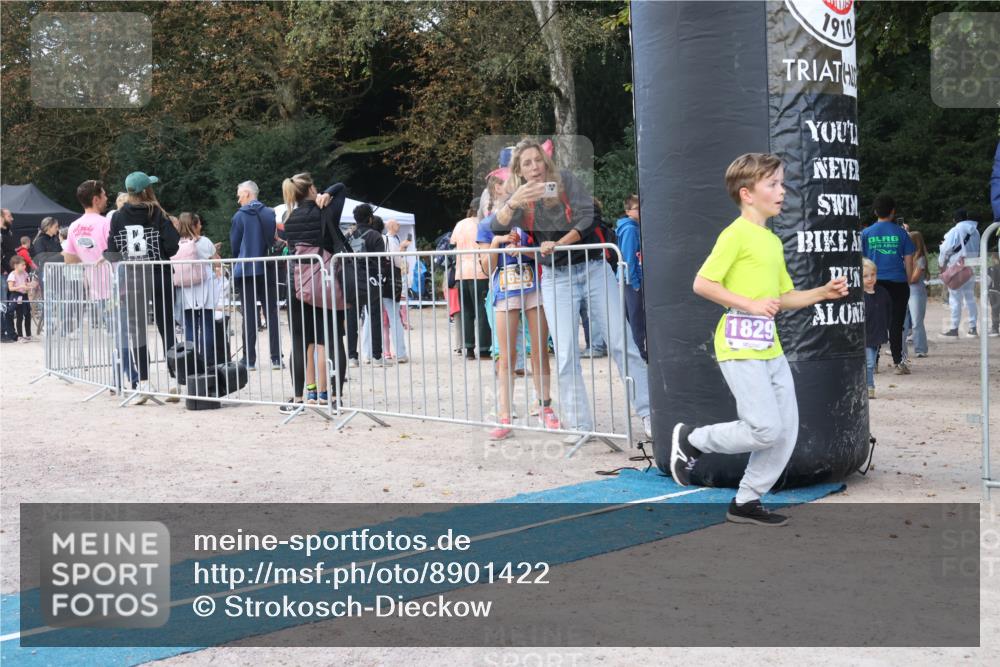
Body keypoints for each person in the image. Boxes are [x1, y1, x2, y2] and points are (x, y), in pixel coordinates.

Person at [669, 153, 849, 526]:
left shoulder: (770, 240)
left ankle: (746, 502)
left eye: (782, 183)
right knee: (764, 428)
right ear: (748, 194)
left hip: (769, 346)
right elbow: (702, 283)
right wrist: (748, 303)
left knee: (784, 432)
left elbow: (781, 298)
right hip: (737, 346)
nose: (782, 191)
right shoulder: (735, 235)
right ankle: (692, 440)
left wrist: (821, 293)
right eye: (774, 184)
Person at [491, 138, 653, 440]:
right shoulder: (521, 197)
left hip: (592, 268)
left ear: (545, 160)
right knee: (565, 352)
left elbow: (589, 217)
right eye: (527, 163)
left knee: (621, 342)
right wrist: (513, 201)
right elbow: (493, 228)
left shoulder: (564, 181)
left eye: (537, 159)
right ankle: (580, 426)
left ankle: (647, 413)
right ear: (519, 171)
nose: (535, 167)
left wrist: (558, 244)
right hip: (556, 278)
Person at [477, 217, 559, 439]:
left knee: (540, 350)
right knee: (507, 356)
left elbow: (544, 255)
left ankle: (544, 406)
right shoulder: (487, 224)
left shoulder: (530, 217)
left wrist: (524, 249)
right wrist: (497, 243)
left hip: (534, 288)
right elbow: (486, 267)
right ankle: (505, 416)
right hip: (504, 290)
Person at [107, 171, 181, 401]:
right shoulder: (156, 213)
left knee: (137, 330)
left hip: (133, 277)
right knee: (167, 327)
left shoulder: (118, 217)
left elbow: (112, 249)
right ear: (146, 190)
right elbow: (172, 246)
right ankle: (174, 381)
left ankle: (144, 384)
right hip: (158, 274)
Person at [279, 173, 350, 410]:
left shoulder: (288, 218)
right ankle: (331, 395)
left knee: (301, 342)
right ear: (311, 190)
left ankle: (301, 396)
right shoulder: (326, 211)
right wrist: (328, 193)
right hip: (325, 284)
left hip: (298, 285)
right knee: (331, 340)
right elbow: (341, 187)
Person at [231, 180, 282, 370]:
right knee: (271, 312)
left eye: (239, 195)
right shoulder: (270, 213)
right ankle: (276, 357)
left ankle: (249, 359)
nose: (238, 200)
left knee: (250, 314)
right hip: (268, 266)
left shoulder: (239, 216)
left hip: (246, 269)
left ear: (246, 194)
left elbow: (235, 246)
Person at [861, 195, 914, 373]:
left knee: (874, 322)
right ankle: (898, 362)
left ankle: (873, 362)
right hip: (898, 282)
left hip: (873, 282)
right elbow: (908, 260)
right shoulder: (901, 233)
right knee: (896, 323)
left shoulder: (866, 233)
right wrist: (907, 279)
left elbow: (861, 260)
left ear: (875, 211)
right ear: (893, 212)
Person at [345, 203, 389, 366]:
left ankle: (352, 357)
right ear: (370, 218)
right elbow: (382, 262)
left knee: (352, 318)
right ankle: (377, 356)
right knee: (375, 317)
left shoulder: (349, 236)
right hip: (372, 282)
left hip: (352, 281)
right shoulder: (376, 236)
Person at [173, 212, 219, 368]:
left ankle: (192, 363)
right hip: (204, 287)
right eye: (199, 223)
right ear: (193, 225)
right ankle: (207, 362)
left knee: (190, 327)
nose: (201, 226)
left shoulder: (176, 243)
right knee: (207, 325)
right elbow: (217, 262)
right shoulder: (204, 241)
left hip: (186, 290)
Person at [452, 200, 491, 359]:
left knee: (467, 312)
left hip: (461, 273)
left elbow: (453, 243)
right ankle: (484, 348)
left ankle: (469, 349)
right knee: (482, 311)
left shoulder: (460, 224)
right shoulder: (482, 224)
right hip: (480, 272)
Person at [939, 208, 981, 337]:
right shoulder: (976, 231)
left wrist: (941, 263)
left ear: (954, 219)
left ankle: (954, 329)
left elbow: (946, 249)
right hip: (971, 267)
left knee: (955, 299)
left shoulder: (955, 230)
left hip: (957, 268)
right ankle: (973, 328)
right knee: (970, 299)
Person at [616, 193, 646, 361]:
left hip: (628, 278)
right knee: (635, 316)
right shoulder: (630, 229)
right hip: (631, 280)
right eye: (636, 209)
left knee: (632, 316)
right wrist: (633, 281)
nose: (640, 212)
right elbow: (628, 258)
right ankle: (639, 352)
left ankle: (636, 350)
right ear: (627, 211)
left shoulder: (631, 227)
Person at [381, 218, 409, 363]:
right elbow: (396, 260)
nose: (399, 225)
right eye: (397, 223)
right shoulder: (391, 240)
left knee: (374, 319)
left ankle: (373, 352)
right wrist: (401, 249)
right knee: (394, 317)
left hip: (381, 281)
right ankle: (400, 352)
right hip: (390, 281)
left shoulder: (386, 239)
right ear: (391, 226)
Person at [863, 259, 891, 399]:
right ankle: (869, 386)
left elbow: (888, 311)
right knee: (868, 363)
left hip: (876, 335)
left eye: (872, 275)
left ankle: (865, 385)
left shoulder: (882, 292)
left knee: (871, 362)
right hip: (862, 335)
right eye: (865, 276)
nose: (870, 279)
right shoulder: (857, 296)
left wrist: (887, 328)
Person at [904, 230, 929, 357]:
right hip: (907, 291)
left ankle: (921, 349)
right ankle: (900, 349)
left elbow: (913, 279)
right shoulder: (907, 257)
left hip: (916, 293)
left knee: (916, 322)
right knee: (903, 321)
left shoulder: (920, 259)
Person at [6, 256, 36, 341]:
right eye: (22, 265)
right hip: (16, 296)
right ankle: (20, 336)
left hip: (24, 295)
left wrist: (30, 285)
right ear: (15, 265)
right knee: (20, 315)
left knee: (28, 315)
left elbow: (27, 283)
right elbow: (10, 288)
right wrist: (20, 287)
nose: (24, 266)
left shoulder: (25, 273)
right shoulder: (12, 275)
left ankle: (29, 335)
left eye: (25, 265)